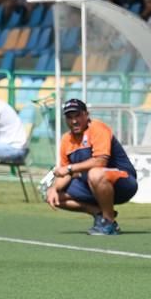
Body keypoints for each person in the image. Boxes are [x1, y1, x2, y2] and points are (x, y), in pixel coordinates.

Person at [46, 99, 138, 235]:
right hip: (92, 186)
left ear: (86, 115)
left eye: (77, 115)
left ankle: (109, 222)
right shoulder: (66, 140)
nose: (74, 121)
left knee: (95, 173)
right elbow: (65, 173)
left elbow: (100, 162)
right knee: (53, 196)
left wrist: (70, 169)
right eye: (70, 117)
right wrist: (53, 189)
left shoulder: (98, 128)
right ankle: (99, 214)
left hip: (123, 183)